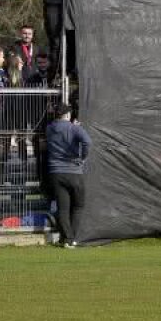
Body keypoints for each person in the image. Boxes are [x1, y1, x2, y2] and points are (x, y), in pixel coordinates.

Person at [45, 103, 91, 247]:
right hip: (74, 171)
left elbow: (61, 131)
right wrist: (82, 157)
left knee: (63, 208)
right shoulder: (74, 128)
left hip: (56, 172)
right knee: (78, 206)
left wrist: (74, 127)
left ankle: (67, 238)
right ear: (67, 115)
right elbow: (87, 142)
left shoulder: (49, 129)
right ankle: (73, 239)